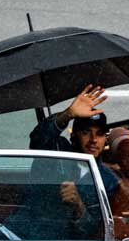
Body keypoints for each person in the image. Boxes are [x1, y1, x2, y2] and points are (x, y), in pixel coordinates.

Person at [27, 83, 120, 225]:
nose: (93, 140)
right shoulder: (58, 149)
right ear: (74, 136)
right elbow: (37, 139)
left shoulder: (107, 180)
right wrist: (68, 114)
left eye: (99, 134)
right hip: (17, 229)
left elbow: (95, 230)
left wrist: (78, 205)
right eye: (85, 132)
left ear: (105, 139)